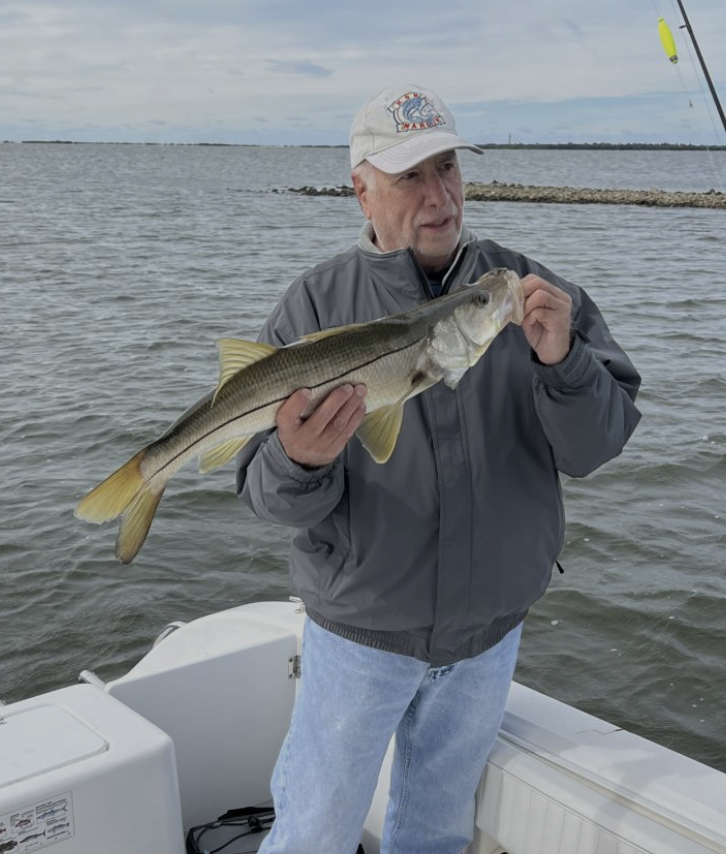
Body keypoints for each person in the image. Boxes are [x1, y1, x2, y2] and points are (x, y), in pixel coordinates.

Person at [237, 84, 641, 854]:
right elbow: (265, 498)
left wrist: (563, 364)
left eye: (448, 167)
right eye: (410, 175)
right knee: (314, 829)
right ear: (362, 188)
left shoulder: (531, 291)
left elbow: (599, 445)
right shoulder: (312, 307)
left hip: (489, 639)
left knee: (436, 832)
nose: (438, 195)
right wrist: (299, 460)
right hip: (361, 635)